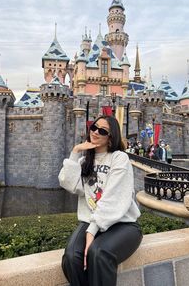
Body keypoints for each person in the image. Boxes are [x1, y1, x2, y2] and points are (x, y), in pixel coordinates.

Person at [58, 115, 143, 286]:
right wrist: (75, 152)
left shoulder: (119, 158)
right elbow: (69, 184)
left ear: (110, 138)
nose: (96, 132)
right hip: (91, 221)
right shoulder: (84, 162)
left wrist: (92, 231)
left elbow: (114, 196)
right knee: (71, 257)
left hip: (122, 224)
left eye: (102, 130)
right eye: (93, 127)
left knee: (98, 253)